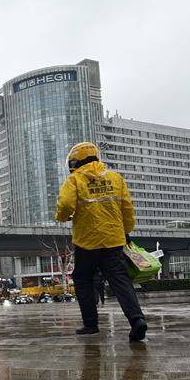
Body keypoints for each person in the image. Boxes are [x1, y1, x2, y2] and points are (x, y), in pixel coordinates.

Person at [56, 141, 148, 341]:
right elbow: (127, 209)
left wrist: (62, 217)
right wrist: (126, 230)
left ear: (76, 161)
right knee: (120, 280)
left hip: (86, 241)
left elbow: (64, 204)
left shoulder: (75, 180)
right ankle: (137, 320)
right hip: (114, 239)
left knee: (82, 279)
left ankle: (90, 324)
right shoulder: (115, 178)